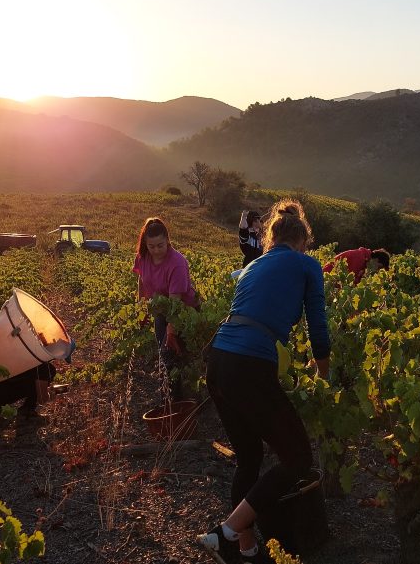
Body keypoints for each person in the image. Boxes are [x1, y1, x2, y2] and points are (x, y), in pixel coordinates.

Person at [198, 199, 330, 564]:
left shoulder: (254, 264)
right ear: (303, 241)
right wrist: (323, 375)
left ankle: (246, 548)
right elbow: (317, 326)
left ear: (272, 238)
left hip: (219, 361)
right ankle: (225, 534)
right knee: (298, 458)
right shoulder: (307, 265)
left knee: (250, 457)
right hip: (248, 367)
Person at [132, 217, 199, 385]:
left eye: (160, 245)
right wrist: (142, 306)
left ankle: (181, 396)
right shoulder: (143, 257)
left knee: (175, 354)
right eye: (151, 246)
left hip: (184, 312)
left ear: (168, 241)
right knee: (164, 354)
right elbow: (141, 279)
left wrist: (171, 331)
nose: (155, 250)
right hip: (161, 310)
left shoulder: (177, 263)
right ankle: (168, 394)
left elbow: (174, 303)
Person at [0, 338, 74, 420]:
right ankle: (27, 410)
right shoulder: (43, 367)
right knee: (49, 372)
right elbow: (42, 399)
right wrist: (51, 394)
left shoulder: (29, 350)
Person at [322, 247, 391, 284]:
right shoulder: (359, 258)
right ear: (376, 260)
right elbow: (350, 283)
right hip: (324, 280)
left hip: (330, 282)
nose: (377, 270)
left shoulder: (365, 260)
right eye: (379, 267)